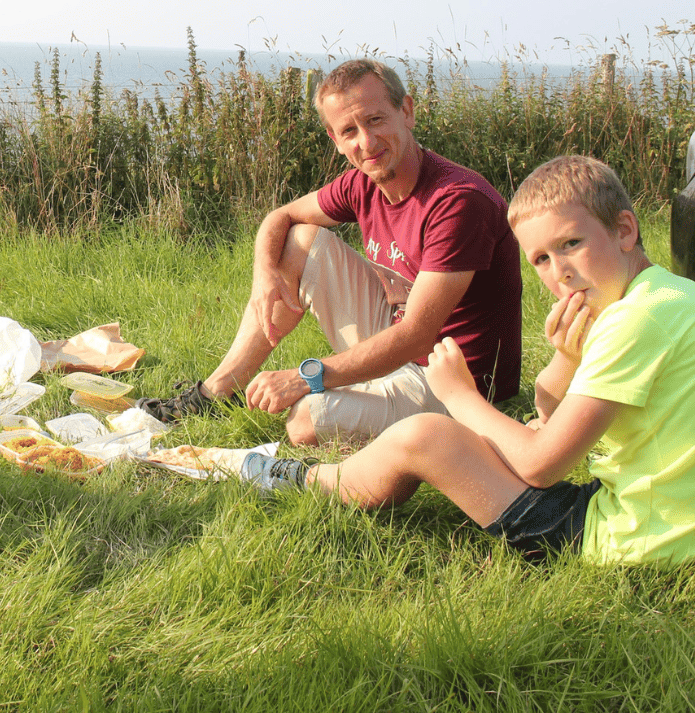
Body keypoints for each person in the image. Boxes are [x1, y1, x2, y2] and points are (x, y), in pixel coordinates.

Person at [244, 155, 695, 564]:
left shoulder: (631, 323)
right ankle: (311, 477)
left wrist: (460, 397)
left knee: (424, 436)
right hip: (666, 514)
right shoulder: (669, 295)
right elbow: (549, 414)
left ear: (624, 230)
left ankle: (301, 480)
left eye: (571, 243)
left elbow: (541, 465)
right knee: (507, 434)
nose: (560, 272)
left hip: (640, 537)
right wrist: (565, 355)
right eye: (540, 259)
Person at [137, 59, 522, 445]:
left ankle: (371, 406)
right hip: (400, 344)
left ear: (406, 112)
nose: (366, 143)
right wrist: (263, 275)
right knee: (299, 239)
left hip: (456, 383)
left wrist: (305, 376)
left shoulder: (456, 201)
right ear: (335, 140)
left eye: (375, 121)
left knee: (304, 420)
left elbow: (418, 336)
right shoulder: (363, 183)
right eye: (349, 131)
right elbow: (281, 216)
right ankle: (217, 392)